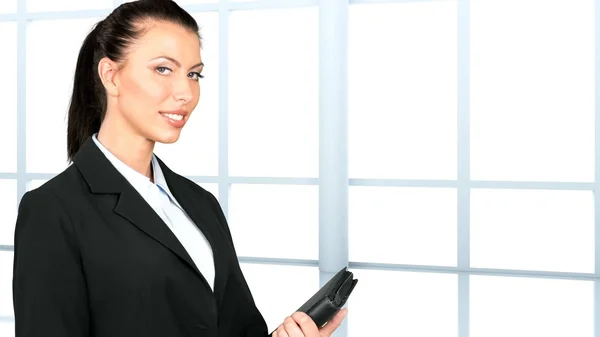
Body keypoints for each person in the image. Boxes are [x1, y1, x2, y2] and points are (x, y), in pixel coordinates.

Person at [11, 1, 348, 336]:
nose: (186, 92)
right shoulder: (52, 210)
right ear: (111, 76)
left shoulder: (199, 203)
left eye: (193, 74)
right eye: (163, 69)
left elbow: (237, 326)